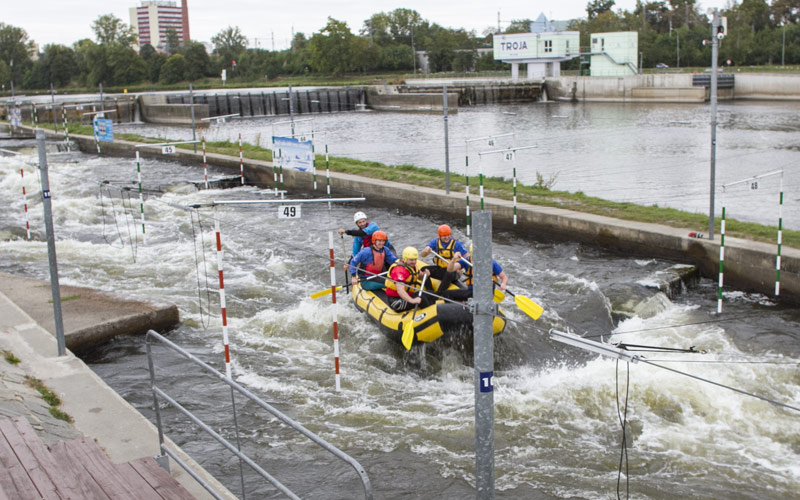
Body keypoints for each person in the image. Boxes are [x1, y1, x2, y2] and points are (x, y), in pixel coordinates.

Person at [419, 224, 469, 292]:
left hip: (453, 271)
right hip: (441, 269)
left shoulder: (457, 244)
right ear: (439, 236)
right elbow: (423, 255)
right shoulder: (435, 242)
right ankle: (430, 290)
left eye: (448, 235)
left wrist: (461, 267)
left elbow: (467, 257)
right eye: (444, 236)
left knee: (449, 273)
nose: (447, 237)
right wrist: (426, 250)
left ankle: (439, 293)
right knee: (423, 270)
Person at [385, 247, 434, 312]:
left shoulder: (413, 267)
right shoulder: (399, 270)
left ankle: (434, 311)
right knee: (423, 299)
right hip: (396, 301)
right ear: (405, 259)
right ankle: (428, 315)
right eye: (411, 260)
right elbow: (400, 290)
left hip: (409, 295)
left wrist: (426, 275)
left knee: (431, 294)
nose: (413, 262)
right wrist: (412, 300)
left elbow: (420, 277)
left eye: (415, 259)